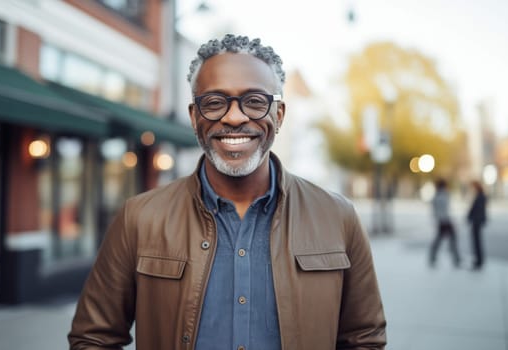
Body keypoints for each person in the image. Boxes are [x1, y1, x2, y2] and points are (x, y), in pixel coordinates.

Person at [69, 34, 386, 350]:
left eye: (255, 101)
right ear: (195, 117)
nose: (234, 117)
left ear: (279, 114)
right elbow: (94, 338)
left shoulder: (337, 217)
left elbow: (364, 340)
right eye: (215, 102)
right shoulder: (139, 218)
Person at [429, 178, 461, 267]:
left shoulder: (437, 196)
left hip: (442, 221)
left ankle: (433, 257)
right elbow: (445, 210)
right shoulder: (444, 195)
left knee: (440, 240)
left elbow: (435, 211)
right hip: (445, 221)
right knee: (452, 240)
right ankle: (456, 259)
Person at [467, 180, 487, 270]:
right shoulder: (481, 196)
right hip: (478, 221)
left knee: (477, 242)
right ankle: (479, 260)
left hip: (476, 221)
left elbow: (476, 209)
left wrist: (469, 216)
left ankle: (479, 261)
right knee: (477, 241)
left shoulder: (480, 196)